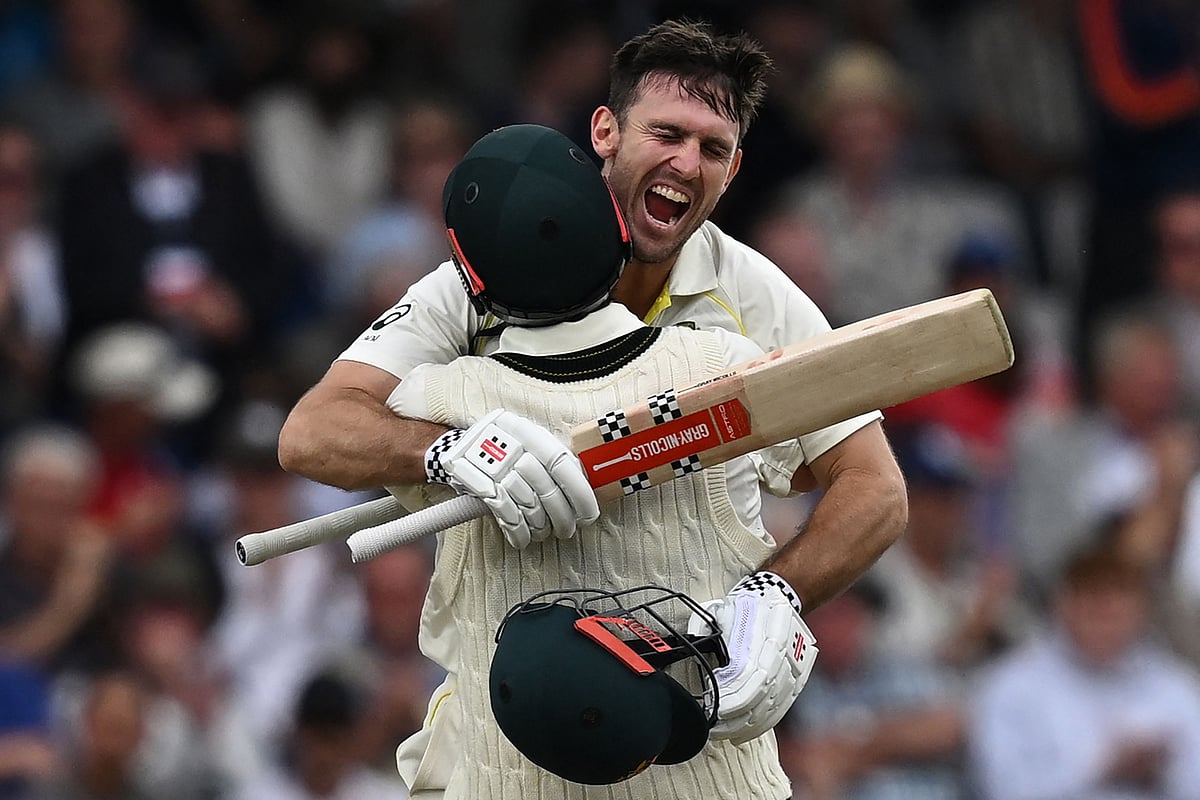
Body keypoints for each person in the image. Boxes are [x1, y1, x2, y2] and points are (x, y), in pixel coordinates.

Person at [278, 17, 905, 793]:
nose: (685, 162)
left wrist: (777, 593)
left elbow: (875, 488)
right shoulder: (492, 268)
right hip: (501, 737)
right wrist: (446, 450)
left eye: (711, 148)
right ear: (605, 131)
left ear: (735, 169)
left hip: (686, 742)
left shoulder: (757, 301)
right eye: (667, 133)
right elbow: (312, 433)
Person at [383, 121, 827, 798]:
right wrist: (783, 589)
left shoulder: (434, 399)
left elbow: (322, 440)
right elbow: (841, 473)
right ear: (621, 234)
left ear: (470, 280)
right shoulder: (730, 366)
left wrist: (442, 446)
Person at [968, 544, 1200, 800]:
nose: (1104, 625)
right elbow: (1002, 790)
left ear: (1142, 613)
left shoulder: (1176, 686)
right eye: (1095, 609)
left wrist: (1163, 774)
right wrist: (1100, 768)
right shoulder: (1012, 686)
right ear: (1062, 605)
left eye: (1117, 612)